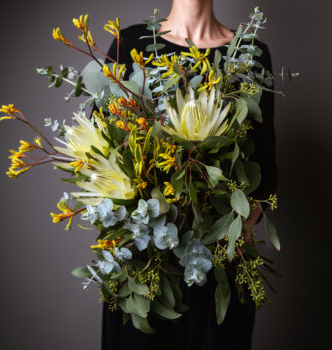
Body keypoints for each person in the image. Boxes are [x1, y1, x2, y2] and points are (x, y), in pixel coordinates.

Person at [92, 1, 278, 349]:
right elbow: (102, 152)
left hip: (219, 268)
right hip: (144, 265)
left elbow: (265, 169)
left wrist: (236, 236)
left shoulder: (250, 55)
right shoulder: (130, 43)